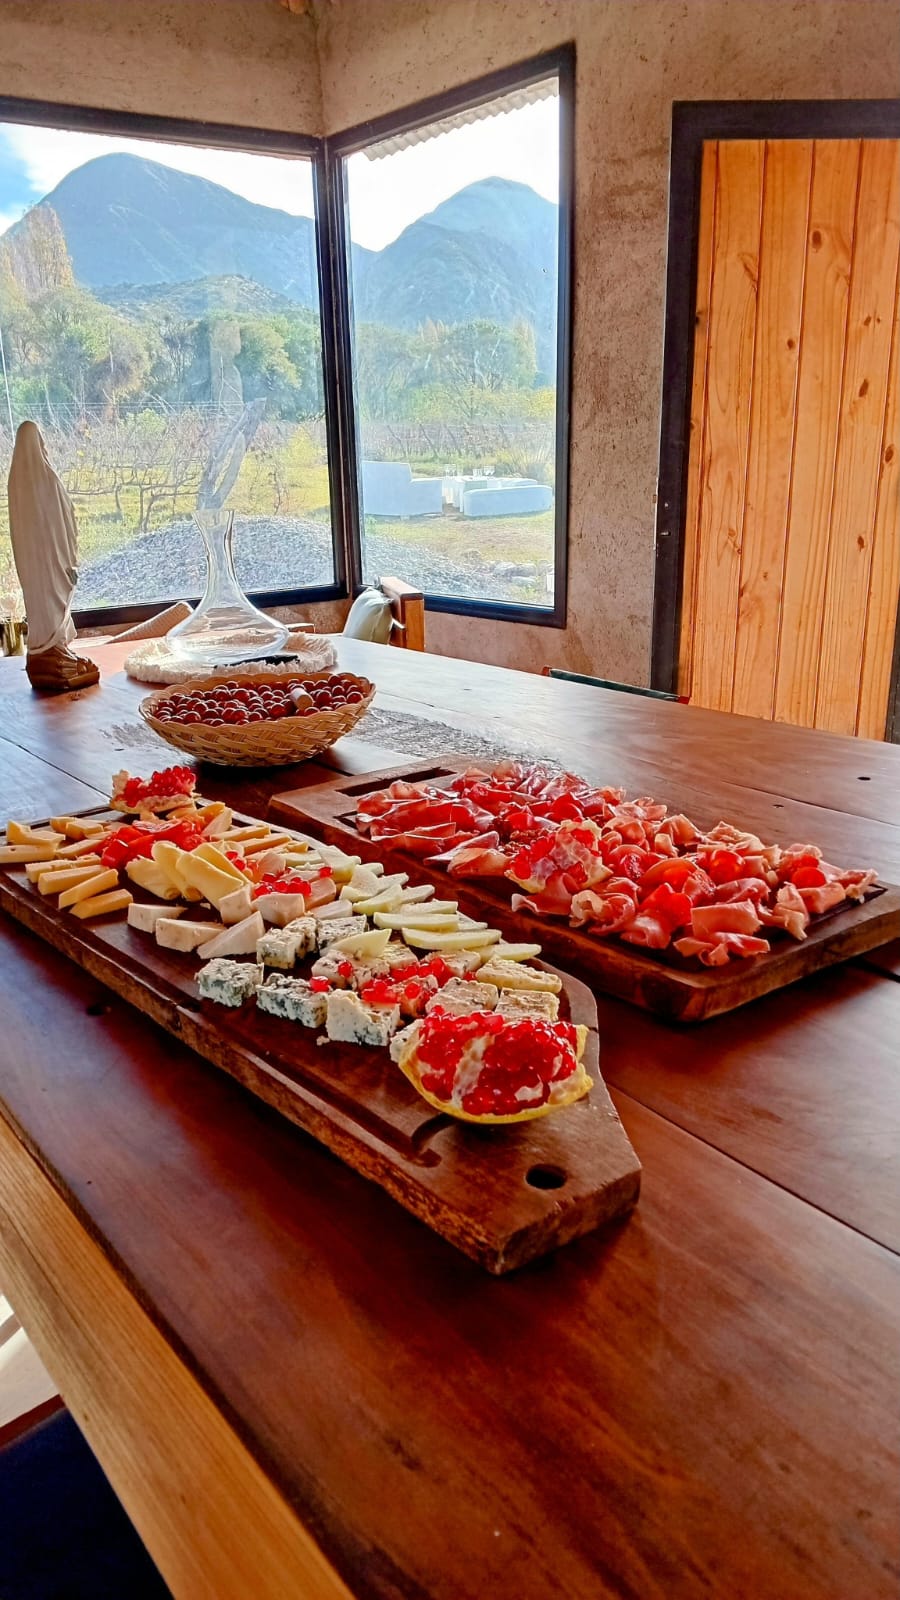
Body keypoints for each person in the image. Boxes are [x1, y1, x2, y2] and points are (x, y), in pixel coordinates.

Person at [7, 420, 99, 691]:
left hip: (49, 557)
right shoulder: (38, 479)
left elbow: (61, 517)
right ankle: (48, 650)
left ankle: (55, 646)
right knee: (46, 600)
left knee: (55, 599)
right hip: (42, 559)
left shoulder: (25, 479)